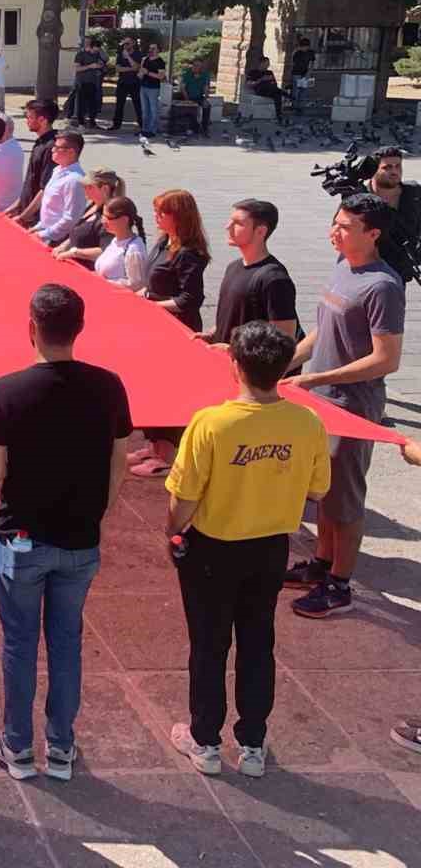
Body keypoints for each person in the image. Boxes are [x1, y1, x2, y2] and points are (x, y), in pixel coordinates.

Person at [165, 323, 331, 777]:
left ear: (235, 364)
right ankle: (253, 745)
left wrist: (173, 532)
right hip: (269, 548)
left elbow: (185, 497)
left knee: (209, 645)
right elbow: (319, 488)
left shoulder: (212, 422)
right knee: (258, 642)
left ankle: (205, 742)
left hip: (212, 550)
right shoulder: (307, 422)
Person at [0, 284, 130, 781]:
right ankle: (61, 747)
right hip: (80, 539)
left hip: (21, 539)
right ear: (79, 329)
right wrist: (99, 510)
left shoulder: (5, 390)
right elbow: (119, 461)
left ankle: (18, 748)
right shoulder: (109, 386)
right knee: (67, 643)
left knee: (20, 644)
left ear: (31, 328)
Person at [283, 193, 405, 617]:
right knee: (323, 492)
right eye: (335, 223)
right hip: (318, 400)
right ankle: (320, 564)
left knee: (346, 499)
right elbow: (323, 330)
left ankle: (340, 585)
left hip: (352, 407)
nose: (334, 232)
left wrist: (318, 377)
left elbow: (386, 358)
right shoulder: (342, 268)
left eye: (345, 227)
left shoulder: (383, 286)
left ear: (372, 234)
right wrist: (288, 361)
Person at [197, 200, 298, 346]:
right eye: (230, 221)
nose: (228, 227)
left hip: (248, 366)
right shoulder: (233, 267)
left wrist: (235, 351)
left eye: (238, 223)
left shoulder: (274, 279)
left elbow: (283, 340)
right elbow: (233, 317)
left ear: (261, 231)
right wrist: (213, 333)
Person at [143, 189, 211, 331]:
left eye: (161, 213)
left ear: (179, 217)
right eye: (155, 211)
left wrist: (151, 305)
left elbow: (189, 300)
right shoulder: (163, 242)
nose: (155, 216)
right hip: (155, 319)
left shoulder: (188, 254)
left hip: (177, 325)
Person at [365, 146, 421, 280]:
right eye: (387, 167)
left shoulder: (414, 193)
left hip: (400, 272)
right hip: (366, 270)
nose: (394, 171)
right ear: (374, 170)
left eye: (398, 166)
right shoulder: (361, 197)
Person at [51, 169, 124, 270]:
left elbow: (106, 251)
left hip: (90, 271)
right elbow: (79, 230)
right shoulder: (92, 206)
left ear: (105, 189)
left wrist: (74, 253)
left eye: (89, 187)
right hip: (73, 265)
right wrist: (63, 246)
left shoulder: (111, 217)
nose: (84, 189)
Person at [28, 131, 88, 245]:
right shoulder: (57, 170)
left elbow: (70, 218)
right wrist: (39, 227)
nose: (52, 150)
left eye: (57, 147)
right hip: (45, 233)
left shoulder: (74, 180)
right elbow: (51, 209)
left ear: (71, 152)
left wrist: (44, 234)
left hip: (57, 241)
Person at [8, 100, 60, 223]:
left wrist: (24, 216)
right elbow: (30, 179)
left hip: (37, 216)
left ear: (42, 120)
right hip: (26, 210)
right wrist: (17, 206)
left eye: (30, 117)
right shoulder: (40, 142)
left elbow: (45, 188)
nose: (27, 121)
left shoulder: (52, 147)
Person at [96, 197, 149, 291]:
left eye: (108, 218)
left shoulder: (134, 249)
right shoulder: (115, 241)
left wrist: (104, 282)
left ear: (124, 220)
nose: (103, 221)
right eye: (103, 216)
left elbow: (137, 286)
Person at [69, 37, 107, 128]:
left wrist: (100, 66)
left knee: (93, 103)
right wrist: (90, 66)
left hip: (93, 82)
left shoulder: (97, 54)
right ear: (91, 47)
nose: (96, 52)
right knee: (81, 103)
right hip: (82, 82)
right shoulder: (81, 54)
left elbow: (103, 62)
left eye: (97, 50)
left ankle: (92, 122)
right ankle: (81, 123)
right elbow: (77, 68)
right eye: (94, 50)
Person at [109, 38, 142, 131]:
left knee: (138, 104)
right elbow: (118, 69)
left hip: (135, 82)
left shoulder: (138, 54)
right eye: (124, 43)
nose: (125, 45)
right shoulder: (120, 55)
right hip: (122, 82)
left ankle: (142, 124)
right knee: (119, 104)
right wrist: (131, 68)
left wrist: (128, 57)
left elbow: (137, 67)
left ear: (133, 44)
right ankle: (116, 125)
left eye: (128, 43)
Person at [180, 51, 213, 135]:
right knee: (191, 108)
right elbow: (182, 88)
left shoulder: (205, 75)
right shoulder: (187, 73)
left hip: (199, 96)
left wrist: (205, 99)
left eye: (198, 66)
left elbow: (206, 88)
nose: (195, 67)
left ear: (201, 67)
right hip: (187, 96)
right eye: (194, 65)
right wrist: (187, 99)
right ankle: (194, 127)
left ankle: (205, 128)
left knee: (207, 106)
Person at [244, 58, 286, 122]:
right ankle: (287, 95)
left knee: (277, 94)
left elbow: (275, 83)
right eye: (266, 64)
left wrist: (271, 82)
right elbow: (249, 84)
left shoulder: (269, 72)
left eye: (268, 64)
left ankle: (279, 115)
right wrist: (261, 80)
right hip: (260, 90)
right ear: (261, 64)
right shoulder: (253, 72)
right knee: (278, 92)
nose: (268, 66)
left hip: (271, 89)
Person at [138, 43, 166, 137]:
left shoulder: (160, 61)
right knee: (144, 110)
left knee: (153, 110)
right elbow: (141, 72)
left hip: (153, 88)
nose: (151, 50)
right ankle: (144, 129)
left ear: (158, 50)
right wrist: (140, 74)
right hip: (143, 87)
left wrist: (148, 73)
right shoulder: (145, 59)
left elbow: (161, 76)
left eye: (153, 48)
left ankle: (152, 130)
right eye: (150, 48)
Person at [289, 36, 315, 111]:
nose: (305, 49)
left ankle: (301, 106)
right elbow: (293, 63)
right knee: (296, 90)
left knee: (304, 90)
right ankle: (294, 106)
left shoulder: (310, 52)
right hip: (297, 73)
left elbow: (312, 63)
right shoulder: (297, 52)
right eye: (303, 47)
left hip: (306, 73)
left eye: (306, 47)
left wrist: (309, 73)